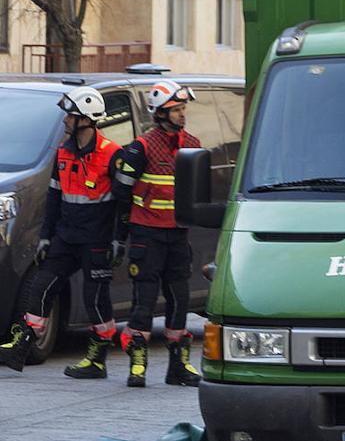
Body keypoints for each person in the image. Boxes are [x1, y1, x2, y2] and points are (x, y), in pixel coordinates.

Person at [1, 88, 125, 375]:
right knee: (41, 286)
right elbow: (55, 199)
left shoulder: (112, 155)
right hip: (66, 237)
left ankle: (96, 359)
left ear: (86, 119)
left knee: (95, 299)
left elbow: (123, 202)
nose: (65, 121)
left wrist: (119, 239)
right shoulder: (63, 153)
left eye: (70, 115)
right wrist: (46, 236)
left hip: (97, 240)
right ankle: (21, 346)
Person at [110, 80, 202, 388]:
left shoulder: (192, 142)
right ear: (160, 113)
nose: (182, 114)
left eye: (183, 108)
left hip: (177, 235)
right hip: (146, 235)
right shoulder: (141, 147)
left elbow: (196, 191)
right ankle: (138, 366)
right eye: (176, 109)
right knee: (144, 300)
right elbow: (121, 190)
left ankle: (178, 367)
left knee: (180, 299)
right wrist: (122, 231)